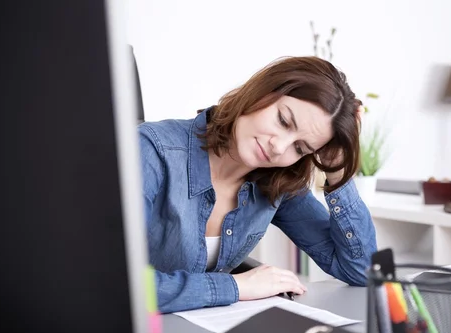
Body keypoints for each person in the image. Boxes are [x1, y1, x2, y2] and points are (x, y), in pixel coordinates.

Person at [139, 56, 378, 313]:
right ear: (263, 92)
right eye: (284, 121)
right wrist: (235, 287)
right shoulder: (151, 151)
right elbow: (113, 281)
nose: (278, 147)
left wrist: (338, 171)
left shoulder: (277, 181)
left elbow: (361, 271)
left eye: (300, 147)